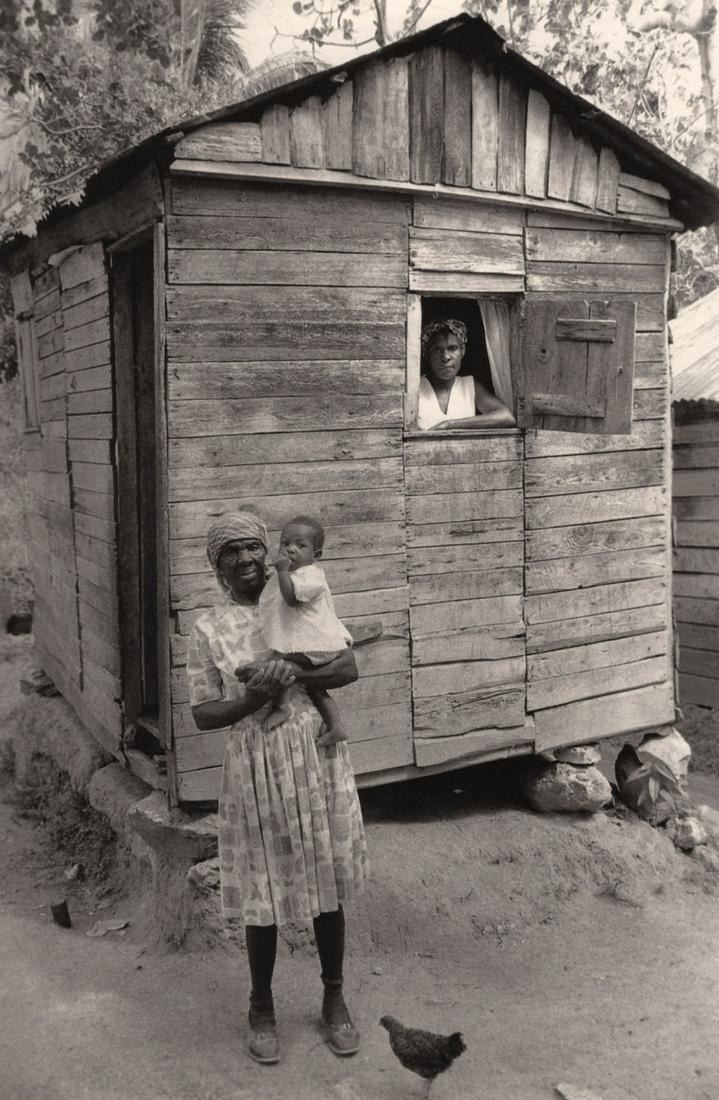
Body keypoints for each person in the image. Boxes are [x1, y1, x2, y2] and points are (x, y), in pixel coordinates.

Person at [186, 512, 369, 1066]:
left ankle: (334, 998)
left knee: (325, 876)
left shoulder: (297, 593)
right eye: (232, 552)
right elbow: (201, 713)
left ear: (267, 552)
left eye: (252, 548)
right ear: (218, 566)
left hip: (314, 754)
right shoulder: (209, 628)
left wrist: (294, 678)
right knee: (261, 887)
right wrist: (251, 700)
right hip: (256, 761)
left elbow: (347, 666)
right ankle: (260, 1007)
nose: (245, 559)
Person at [236, 514, 351, 745]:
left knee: (279, 662)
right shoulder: (294, 574)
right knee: (315, 687)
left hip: (318, 644)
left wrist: (281, 572)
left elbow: (291, 599)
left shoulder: (312, 576)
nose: (291, 549)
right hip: (315, 642)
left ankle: (282, 706)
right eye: (285, 543)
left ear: (316, 555)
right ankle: (337, 726)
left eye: (301, 545)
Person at [418, 318, 516, 430]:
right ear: (427, 354)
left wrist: (450, 424)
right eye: (437, 350)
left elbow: (506, 416)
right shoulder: (416, 389)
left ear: (462, 351)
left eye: (452, 348)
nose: (445, 357)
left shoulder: (469, 386)